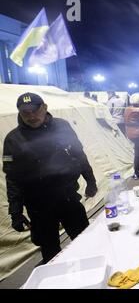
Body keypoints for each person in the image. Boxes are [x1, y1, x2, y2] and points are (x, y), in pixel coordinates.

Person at [2, 93, 98, 263]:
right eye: (25, 113)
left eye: (35, 111)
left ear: (44, 107)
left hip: (68, 198)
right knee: (50, 252)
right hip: (38, 207)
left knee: (86, 243)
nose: (31, 116)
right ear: (19, 113)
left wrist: (91, 180)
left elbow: (79, 154)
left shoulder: (62, 126)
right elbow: (12, 177)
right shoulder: (12, 139)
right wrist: (15, 212)